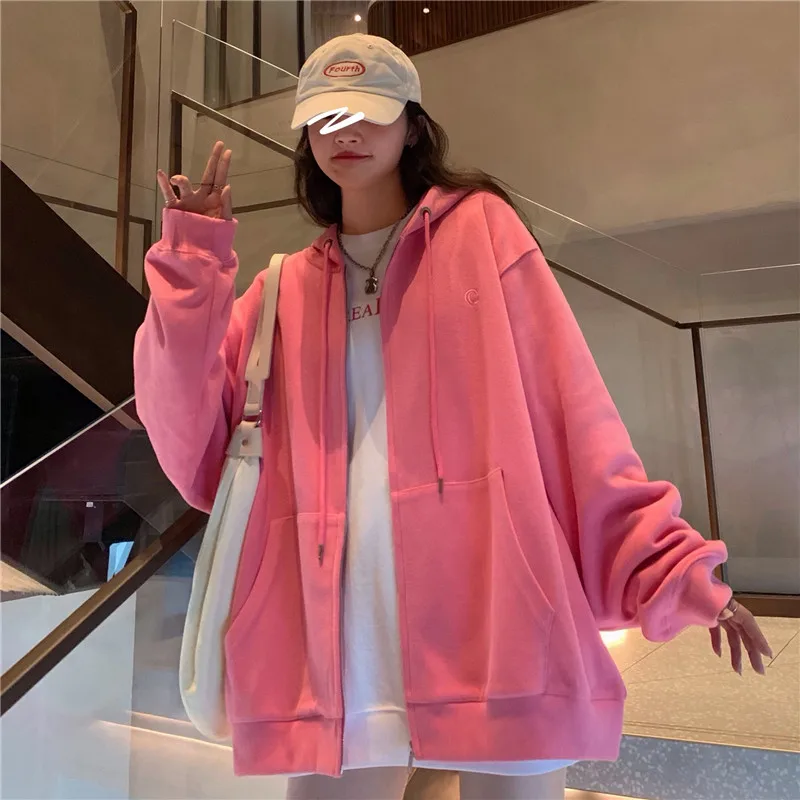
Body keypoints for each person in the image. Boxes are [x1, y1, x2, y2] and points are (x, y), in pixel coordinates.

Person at [134, 33, 773, 800]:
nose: (345, 132)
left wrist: (670, 568)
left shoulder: (481, 231)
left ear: (412, 125)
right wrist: (192, 263)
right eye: (326, 117)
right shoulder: (282, 292)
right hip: (336, 634)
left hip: (496, 613)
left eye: (367, 112)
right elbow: (188, 435)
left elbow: (574, 414)